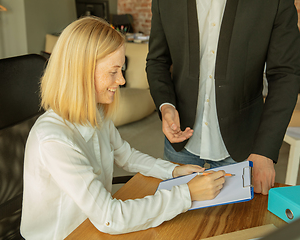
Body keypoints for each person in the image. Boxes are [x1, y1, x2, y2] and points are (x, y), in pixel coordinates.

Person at [20, 16, 226, 239]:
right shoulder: (55, 140)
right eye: (113, 71)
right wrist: (187, 194)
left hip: (90, 226)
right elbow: (111, 216)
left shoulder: (94, 113)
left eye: (121, 70)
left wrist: (173, 171)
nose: (122, 80)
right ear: (81, 71)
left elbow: (126, 156)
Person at [146, 0, 300, 195]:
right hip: (180, 142)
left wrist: (265, 150)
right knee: (178, 220)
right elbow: (157, 61)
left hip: (244, 144)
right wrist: (166, 105)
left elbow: (285, 74)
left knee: (235, 224)